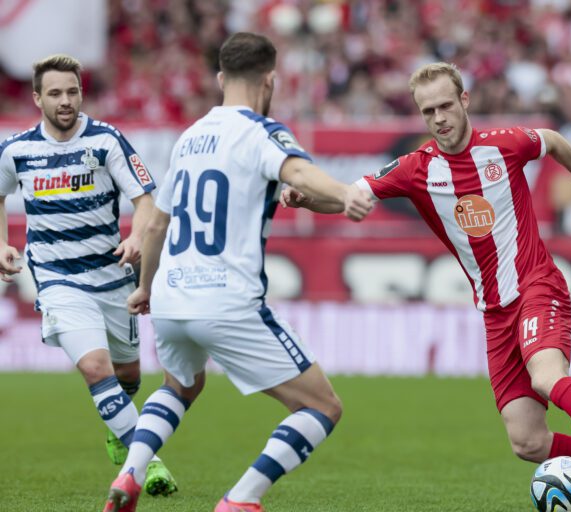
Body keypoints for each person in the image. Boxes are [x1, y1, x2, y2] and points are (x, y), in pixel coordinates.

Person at [281, 62, 571, 512]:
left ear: (464, 101)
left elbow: (551, 139)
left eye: (446, 106)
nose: (439, 118)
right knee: (527, 441)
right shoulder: (416, 169)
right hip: (494, 311)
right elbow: (345, 195)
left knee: (547, 376)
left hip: (537, 284)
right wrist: (304, 198)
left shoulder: (502, 145)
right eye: (428, 110)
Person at [102, 32, 373, 512]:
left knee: (181, 385)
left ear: (220, 78)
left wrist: (145, 287)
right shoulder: (262, 131)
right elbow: (301, 174)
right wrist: (348, 191)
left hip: (170, 296)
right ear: (271, 79)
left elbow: (158, 224)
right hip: (225, 299)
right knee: (322, 406)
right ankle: (241, 500)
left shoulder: (188, 138)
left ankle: (131, 472)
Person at [0, 54, 177, 496]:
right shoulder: (17, 150)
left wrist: (137, 238)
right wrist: (2, 243)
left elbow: (146, 202)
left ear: (82, 93)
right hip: (57, 277)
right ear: (38, 97)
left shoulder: (107, 141)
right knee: (96, 368)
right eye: (55, 93)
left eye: (73, 91)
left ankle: (118, 428)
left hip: (112, 274)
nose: (65, 101)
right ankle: (146, 466)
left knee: (128, 376)